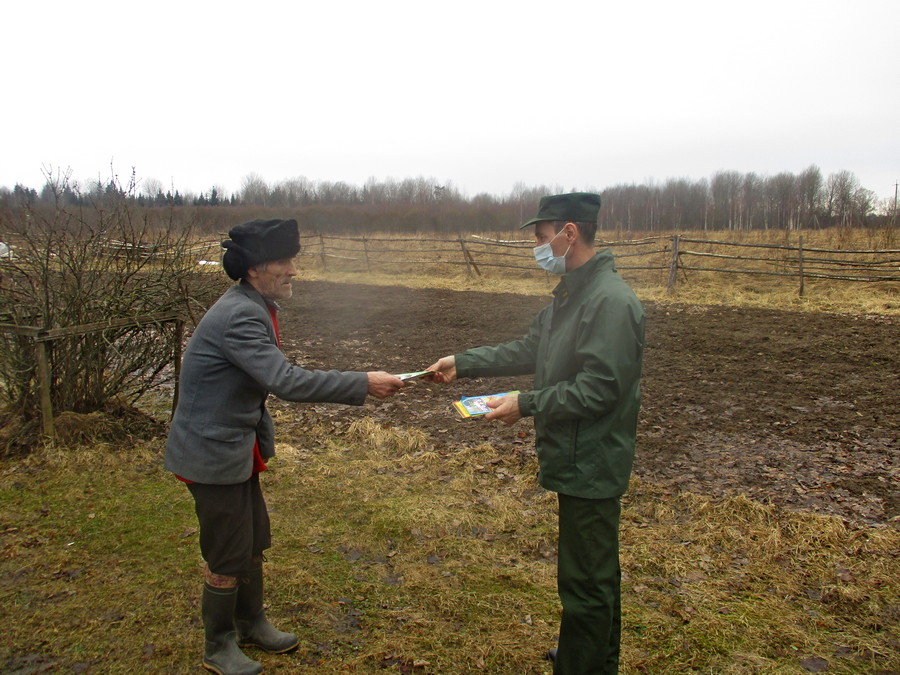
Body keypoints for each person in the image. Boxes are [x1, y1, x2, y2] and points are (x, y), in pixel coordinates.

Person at [165, 218, 404, 675]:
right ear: (256, 268)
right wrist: (362, 383)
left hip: (234, 446)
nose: (293, 270)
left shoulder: (252, 303)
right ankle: (218, 645)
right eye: (284, 261)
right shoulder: (240, 314)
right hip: (211, 453)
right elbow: (285, 380)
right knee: (227, 551)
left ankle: (251, 623)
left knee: (252, 538)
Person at [428, 193, 644, 674]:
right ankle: (586, 657)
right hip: (577, 454)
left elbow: (599, 390)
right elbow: (531, 349)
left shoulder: (608, 301)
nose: (537, 247)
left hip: (591, 458)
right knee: (592, 573)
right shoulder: (574, 294)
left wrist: (526, 404)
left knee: (586, 579)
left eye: (541, 238)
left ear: (570, 233)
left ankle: (582, 666)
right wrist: (462, 363)